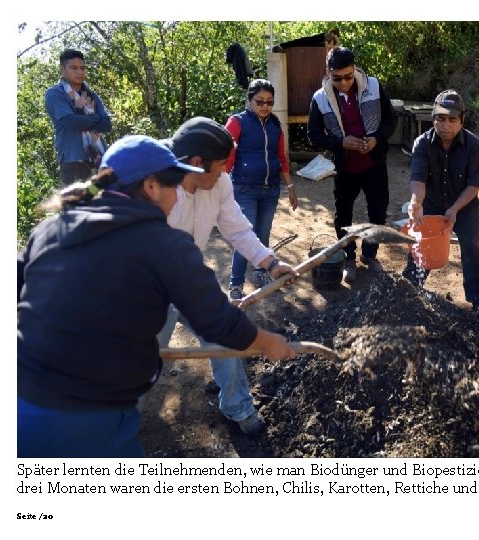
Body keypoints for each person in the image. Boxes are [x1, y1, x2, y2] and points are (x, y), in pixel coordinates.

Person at [17, 135, 296, 458]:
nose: (177, 198)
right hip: (86, 417)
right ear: (150, 187)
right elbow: (218, 322)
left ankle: (236, 406)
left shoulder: (53, 228)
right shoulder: (163, 243)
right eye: (171, 187)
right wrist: (268, 343)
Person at [159, 116, 297, 434]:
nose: (224, 170)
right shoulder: (157, 189)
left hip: (191, 281)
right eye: (220, 164)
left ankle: (237, 406)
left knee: (225, 336)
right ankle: (119, 417)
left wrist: (270, 262)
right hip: (151, 291)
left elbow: (236, 228)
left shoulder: (218, 183)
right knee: (139, 361)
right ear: (196, 162)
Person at [307, 46, 396, 283]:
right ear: (328, 72)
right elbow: (313, 135)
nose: (344, 82)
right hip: (345, 168)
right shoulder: (320, 98)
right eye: (337, 78)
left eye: (348, 76)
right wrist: (341, 143)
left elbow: (390, 119)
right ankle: (348, 257)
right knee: (343, 216)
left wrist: (377, 139)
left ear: (354, 69)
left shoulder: (374, 86)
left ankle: (369, 255)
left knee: (378, 211)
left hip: (374, 163)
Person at [402, 90, 479, 320]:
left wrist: (454, 209)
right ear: (433, 119)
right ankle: (408, 290)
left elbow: (474, 186)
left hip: (464, 206)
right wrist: (416, 201)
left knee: (472, 248)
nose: (446, 125)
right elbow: (418, 179)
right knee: (421, 245)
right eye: (440, 119)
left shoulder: (475, 146)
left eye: (452, 120)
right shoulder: (422, 143)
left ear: (461, 120)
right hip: (431, 204)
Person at [225, 79, 298, 296]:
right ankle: (236, 285)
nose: (265, 106)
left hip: (271, 190)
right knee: (244, 236)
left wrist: (291, 187)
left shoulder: (276, 125)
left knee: (263, 234)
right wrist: (219, 189)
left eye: (269, 102)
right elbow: (227, 158)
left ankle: (261, 271)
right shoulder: (236, 123)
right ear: (249, 101)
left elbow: (282, 159)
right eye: (259, 101)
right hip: (244, 190)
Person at [45, 48, 112, 185]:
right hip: (73, 159)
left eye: (82, 68)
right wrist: (96, 119)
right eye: (74, 68)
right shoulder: (55, 93)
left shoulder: (91, 95)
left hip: (98, 157)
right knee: (77, 204)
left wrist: (85, 121)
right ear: (62, 69)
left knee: (101, 202)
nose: (80, 72)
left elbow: (107, 124)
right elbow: (70, 121)